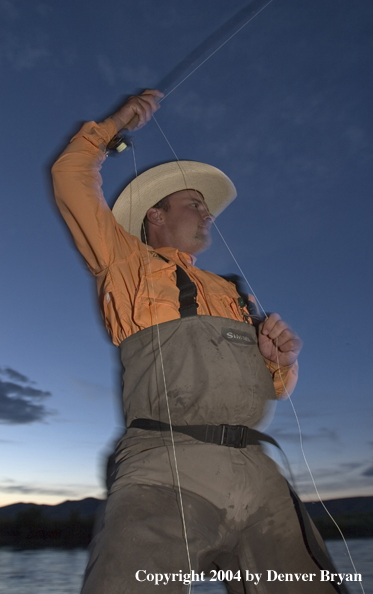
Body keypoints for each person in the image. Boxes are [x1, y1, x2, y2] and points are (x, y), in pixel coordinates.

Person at [52, 90, 344, 593]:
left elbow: (275, 390)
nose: (206, 214)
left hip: (259, 471)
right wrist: (117, 122)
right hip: (163, 467)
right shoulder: (124, 264)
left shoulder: (232, 291)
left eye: (207, 208)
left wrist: (282, 362)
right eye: (194, 204)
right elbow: (70, 175)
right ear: (156, 217)